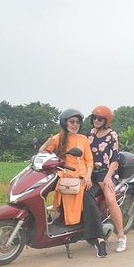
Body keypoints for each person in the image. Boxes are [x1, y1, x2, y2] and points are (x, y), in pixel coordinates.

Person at [40, 109, 107, 258]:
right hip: (64, 176)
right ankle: (49, 220)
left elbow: (89, 160)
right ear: (65, 123)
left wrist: (88, 177)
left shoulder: (83, 139)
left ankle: (99, 239)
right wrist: (46, 144)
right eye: (71, 122)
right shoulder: (59, 138)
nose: (75, 125)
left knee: (88, 200)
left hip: (83, 177)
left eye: (77, 122)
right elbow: (43, 153)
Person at [88, 105, 126, 253]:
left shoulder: (112, 135)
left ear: (106, 120)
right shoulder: (89, 134)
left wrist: (109, 177)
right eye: (95, 118)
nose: (97, 120)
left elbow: (115, 158)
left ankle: (121, 236)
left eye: (100, 118)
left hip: (106, 172)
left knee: (110, 199)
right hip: (91, 172)